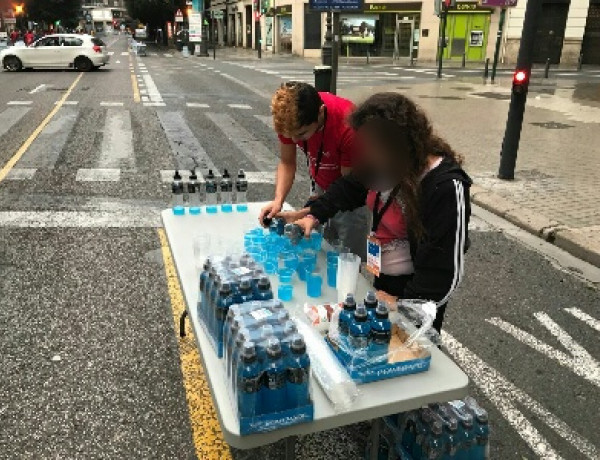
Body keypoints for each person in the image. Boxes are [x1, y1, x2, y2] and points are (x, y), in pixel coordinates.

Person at [279, 93, 471, 332]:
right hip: (384, 278)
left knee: (410, 355)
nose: (366, 154)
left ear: (397, 143)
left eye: (371, 146)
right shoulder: (386, 163)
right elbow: (350, 187)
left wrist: (404, 306)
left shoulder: (444, 186)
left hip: (417, 298)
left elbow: (443, 272)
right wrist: (312, 214)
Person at [259, 82, 370, 260]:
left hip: (350, 193)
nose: (295, 140)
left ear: (320, 112)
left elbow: (348, 189)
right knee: (319, 247)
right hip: (321, 185)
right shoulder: (289, 122)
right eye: (290, 136)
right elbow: (287, 162)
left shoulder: (347, 125)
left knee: (348, 256)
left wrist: (309, 212)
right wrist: (278, 201)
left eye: (302, 134)